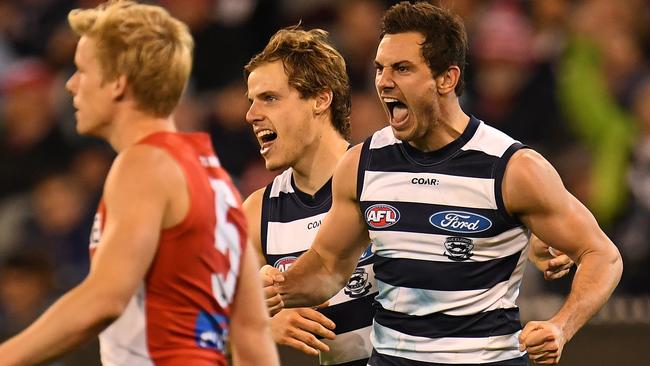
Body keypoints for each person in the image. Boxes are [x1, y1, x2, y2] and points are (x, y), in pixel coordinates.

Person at [267, 2, 622, 366]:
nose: (384, 81)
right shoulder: (362, 163)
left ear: (447, 79)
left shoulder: (513, 169)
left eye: (402, 68)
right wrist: (270, 291)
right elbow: (326, 269)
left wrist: (561, 327)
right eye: (380, 68)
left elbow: (603, 256)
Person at [0, 1, 279, 366]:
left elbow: (103, 300)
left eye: (83, 70)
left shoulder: (143, 164)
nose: (70, 84)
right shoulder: (215, 178)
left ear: (118, 82)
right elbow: (251, 332)